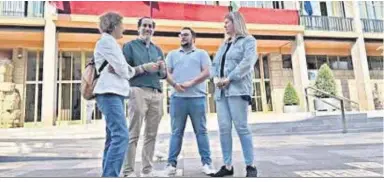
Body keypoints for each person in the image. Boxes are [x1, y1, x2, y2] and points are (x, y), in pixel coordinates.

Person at [95, 12, 160, 177]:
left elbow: (122, 68)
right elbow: (124, 70)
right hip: (109, 93)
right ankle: (112, 175)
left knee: (112, 138)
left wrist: (126, 69)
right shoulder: (108, 43)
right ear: (114, 25)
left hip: (114, 93)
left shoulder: (112, 43)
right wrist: (140, 68)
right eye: (121, 24)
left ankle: (108, 174)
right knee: (122, 135)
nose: (123, 28)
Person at [210, 11, 258, 177]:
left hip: (237, 90)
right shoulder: (224, 45)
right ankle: (227, 166)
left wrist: (229, 78)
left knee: (242, 127)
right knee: (224, 129)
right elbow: (215, 64)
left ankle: (250, 166)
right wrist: (216, 78)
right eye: (224, 23)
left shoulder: (249, 41)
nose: (224, 25)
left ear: (236, 23)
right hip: (221, 92)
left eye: (227, 22)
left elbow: (247, 63)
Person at [163, 27, 215, 176]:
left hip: (197, 99)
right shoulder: (172, 55)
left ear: (193, 38)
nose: (183, 37)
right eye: (181, 35)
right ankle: (171, 164)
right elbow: (166, 73)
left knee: (201, 132)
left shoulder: (201, 54)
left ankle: (207, 163)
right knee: (176, 133)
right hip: (177, 99)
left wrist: (190, 83)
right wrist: (175, 85)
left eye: (186, 35)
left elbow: (207, 72)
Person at [121, 17, 167, 177]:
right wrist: (143, 68)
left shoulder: (158, 50)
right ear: (138, 28)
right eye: (145, 25)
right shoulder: (129, 46)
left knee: (151, 134)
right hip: (138, 91)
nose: (148, 28)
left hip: (156, 93)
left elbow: (163, 75)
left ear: (153, 30)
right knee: (133, 133)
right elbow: (123, 71)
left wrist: (162, 69)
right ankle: (128, 171)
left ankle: (147, 171)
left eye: (150, 26)